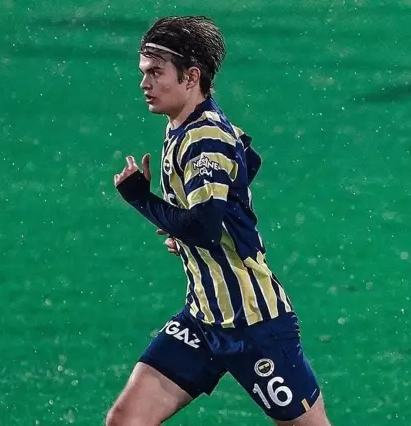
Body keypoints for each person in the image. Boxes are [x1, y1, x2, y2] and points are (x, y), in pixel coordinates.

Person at [109, 16, 332, 426]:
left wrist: (142, 199)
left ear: (191, 76)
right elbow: (246, 160)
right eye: (143, 72)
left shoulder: (203, 136)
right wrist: (195, 224)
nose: (144, 83)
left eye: (156, 72)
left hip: (253, 324)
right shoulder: (187, 125)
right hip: (202, 318)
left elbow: (203, 229)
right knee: (126, 419)